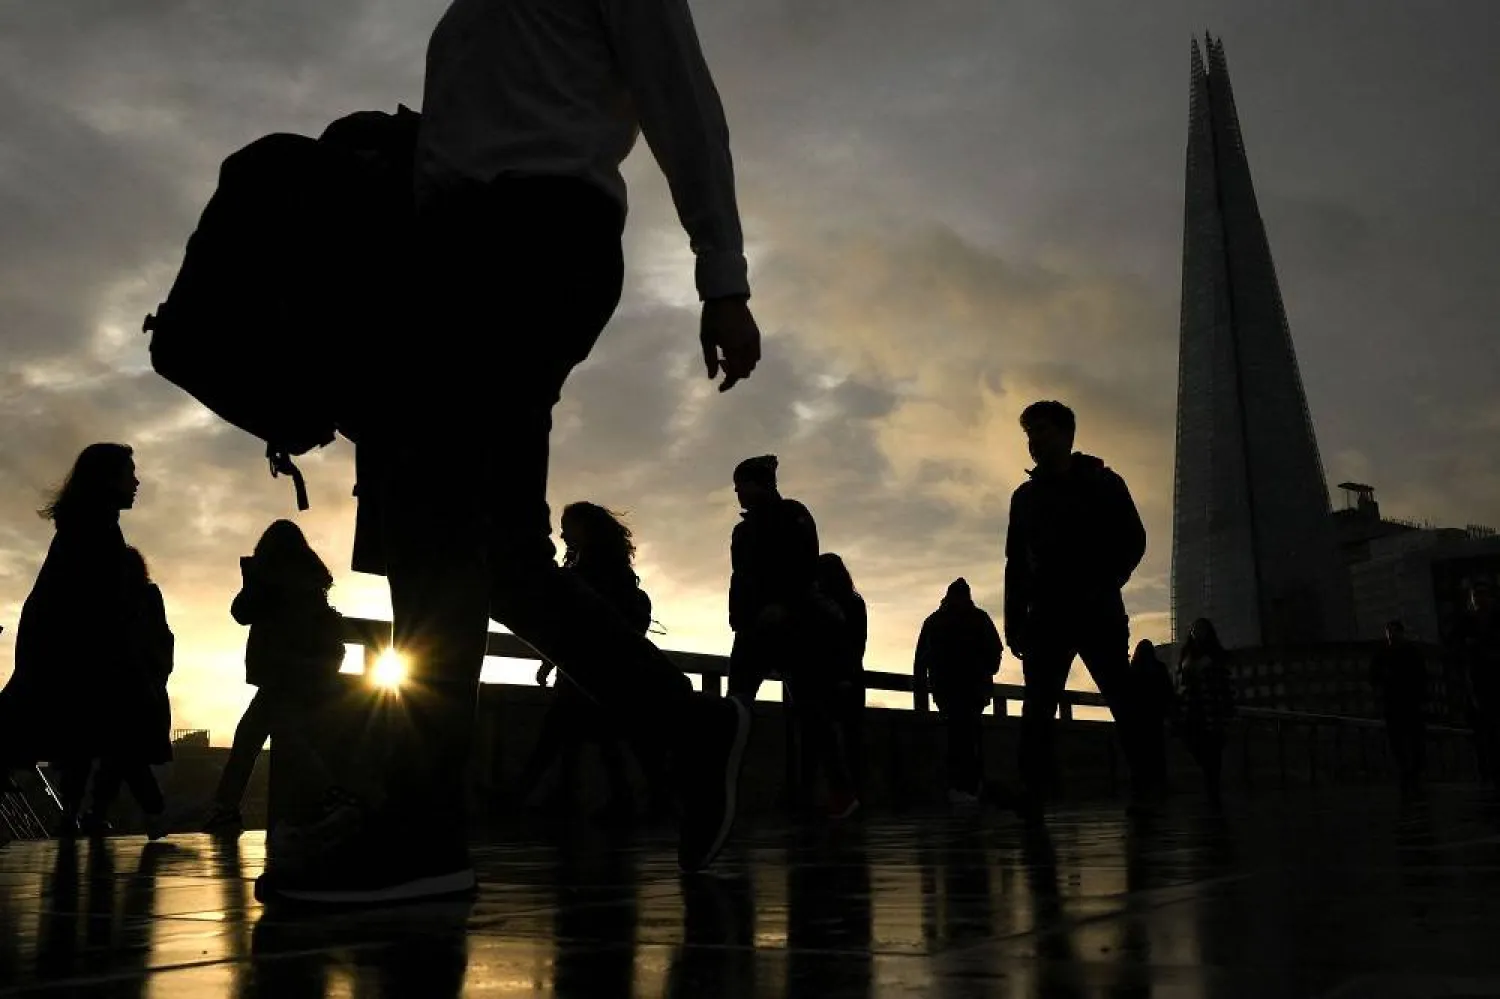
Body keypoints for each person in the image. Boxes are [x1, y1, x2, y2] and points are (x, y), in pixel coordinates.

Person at [257, 0, 761, 904]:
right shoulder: (461, 20)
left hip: (538, 233)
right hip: (444, 258)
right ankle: (685, 731)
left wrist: (721, 274)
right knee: (502, 556)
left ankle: (421, 829)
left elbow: (683, 98)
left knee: (436, 531)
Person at [1003, 401, 1150, 813]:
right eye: (1030, 434)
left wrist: (1105, 580)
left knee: (1121, 698)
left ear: (1067, 435)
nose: (1034, 441)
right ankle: (1032, 791)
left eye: (1042, 431)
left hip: (1096, 608)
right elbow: (1016, 562)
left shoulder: (1104, 483)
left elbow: (1134, 539)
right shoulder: (1025, 498)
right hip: (1047, 614)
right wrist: (1014, 620)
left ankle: (1146, 782)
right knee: (1038, 706)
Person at [0, 443, 143, 835]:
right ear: (107, 478)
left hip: (59, 641)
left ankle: (72, 817)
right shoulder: (95, 525)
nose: (136, 482)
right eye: (128, 473)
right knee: (68, 726)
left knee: (66, 727)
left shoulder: (88, 520)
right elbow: (95, 595)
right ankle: (75, 817)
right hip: (66, 644)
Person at [203, 521, 350, 835]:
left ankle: (227, 809)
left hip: (280, 673)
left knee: (251, 739)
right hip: (308, 671)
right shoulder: (310, 579)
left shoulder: (270, 579)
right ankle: (331, 795)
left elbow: (241, 612)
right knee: (283, 736)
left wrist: (251, 578)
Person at [513, 503, 658, 822]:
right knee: (596, 736)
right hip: (591, 665)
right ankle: (621, 800)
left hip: (591, 664)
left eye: (567, 525)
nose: (562, 532)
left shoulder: (594, 569)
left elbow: (574, 617)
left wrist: (550, 660)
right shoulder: (607, 566)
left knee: (560, 735)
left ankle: (520, 798)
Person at [83, 546, 174, 839]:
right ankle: (149, 812)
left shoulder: (109, 600)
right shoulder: (147, 596)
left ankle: (104, 813)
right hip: (138, 686)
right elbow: (162, 638)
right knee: (124, 757)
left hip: (118, 686)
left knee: (120, 756)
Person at [727, 455, 821, 703]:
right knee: (738, 700)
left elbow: (806, 566)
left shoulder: (793, 515)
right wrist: (739, 618)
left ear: (759, 484)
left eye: (742, 485)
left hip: (791, 624)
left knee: (808, 706)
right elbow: (740, 578)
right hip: (750, 626)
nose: (737, 491)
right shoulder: (742, 531)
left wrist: (786, 605)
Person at [914, 578, 1004, 805]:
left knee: (956, 737)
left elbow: (920, 659)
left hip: (947, 688)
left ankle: (960, 787)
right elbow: (995, 650)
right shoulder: (979, 618)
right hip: (973, 688)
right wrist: (988, 671)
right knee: (971, 737)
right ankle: (973, 786)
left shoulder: (934, 621)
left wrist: (923, 684)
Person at [815, 553, 868, 802]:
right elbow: (859, 644)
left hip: (836, 677)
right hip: (848, 676)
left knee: (839, 740)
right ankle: (854, 792)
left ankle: (844, 793)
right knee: (850, 740)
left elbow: (853, 644)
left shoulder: (837, 605)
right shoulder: (854, 603)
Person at [1174, 618, 1235, 806]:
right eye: (1195, 629)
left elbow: (1224, 684)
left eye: (1201, 629)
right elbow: (1181, 681)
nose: (1198, 632)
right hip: (1192, 708)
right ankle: (1211, 785)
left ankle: (1213, 790)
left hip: (1212, 709)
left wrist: (1227, 708)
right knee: (1196, 745)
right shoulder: (1187, 654)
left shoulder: (1216, 655)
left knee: (1213, 750)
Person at [1369, 620, 1427, 792]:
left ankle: (1414, 769)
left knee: (1413, 737)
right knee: (1398, 738)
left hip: (1409, 700)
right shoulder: (1383, 653)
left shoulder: (1410, 651)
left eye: (1394, 632)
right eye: (1389, 632)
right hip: (1393, 700)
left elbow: (1420, 675)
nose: (1391, 635)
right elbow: (1373, 675)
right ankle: (1407, 768)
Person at [1131, 639, 1176, 797]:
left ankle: (1143, 786)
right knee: (1158, 752)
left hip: (1140, 718)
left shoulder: (1134, 669)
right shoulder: (1160, 668)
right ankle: (1160, 784)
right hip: (1156, 717)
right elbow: (1168, 693)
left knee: (1141, 753)